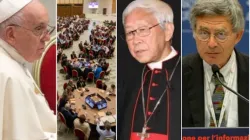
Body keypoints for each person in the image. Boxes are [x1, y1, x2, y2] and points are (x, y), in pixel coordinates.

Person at [118, 0, 181, 139]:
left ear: (168, 31)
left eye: (143, 30)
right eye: (130, 32)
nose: (135, 40)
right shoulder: (126, 77)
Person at [182, 0, 249, 127]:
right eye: (203, 33)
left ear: (238, 36)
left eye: (221, 34)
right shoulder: (178, 74)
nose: (211, 43)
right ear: (194, 33)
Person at [0, 0, 56, 139]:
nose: (47, 38)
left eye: (47, 29)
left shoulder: (15, 60)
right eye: (39, 29)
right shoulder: (8, 76)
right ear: (11, 34)